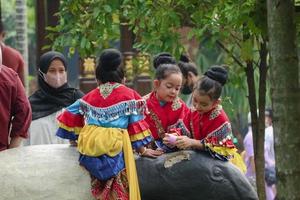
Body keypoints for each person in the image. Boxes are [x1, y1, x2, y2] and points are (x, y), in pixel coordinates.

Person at [56, 49, 162, 200]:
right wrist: (143, 150)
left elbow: (69, 113)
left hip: (92, 150)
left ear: (98, 79)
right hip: (116, 148)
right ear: (123, 78)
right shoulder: (130, 95)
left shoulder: (90, 96)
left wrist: (78, 138)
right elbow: (134, 125)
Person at [170, 66, 246, 172]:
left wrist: (193, 142)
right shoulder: (193, 112)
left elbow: (222, 150)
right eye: (195, 100)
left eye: (204, 104)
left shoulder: (220, 118)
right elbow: (182, 130)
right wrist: (174, 137)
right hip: (198, 163)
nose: (197, 106)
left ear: (216, 103)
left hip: (220, 168)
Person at [23, 51, 84, 145]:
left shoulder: (77, 99)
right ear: (42, 73)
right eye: (52, 70)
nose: (57, 75)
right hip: (37, 158)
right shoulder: (30, 105)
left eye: (61, 70)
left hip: (70, 158)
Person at [144, 56, 190, 152]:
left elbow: (187, 128)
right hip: (147, 151)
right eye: (169, 86)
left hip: (174, 150)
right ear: (156, 84)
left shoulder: (180, 106)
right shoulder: (143, 104)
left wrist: (175, 135)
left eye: (177, 88)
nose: (173, 91)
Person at [0, 46, 31, 151]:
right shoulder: (10, 77)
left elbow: (24, 111)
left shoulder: (10, 78)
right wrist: (12, 150)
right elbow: (24, 110)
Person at [243, 108, 276, 200]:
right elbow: (253, 159)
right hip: (258, 177)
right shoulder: (250, 137)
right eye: (263, 117)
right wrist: (258, 178)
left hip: (265, 176)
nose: (265, 119)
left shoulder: (258, 135)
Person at [0, 21, 25, 85]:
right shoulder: (15, 56)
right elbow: (22, 87)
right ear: (3, 35)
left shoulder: (15, 56)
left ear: (3, 35)